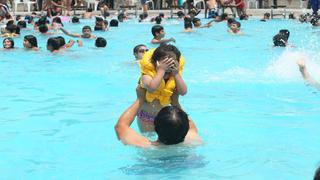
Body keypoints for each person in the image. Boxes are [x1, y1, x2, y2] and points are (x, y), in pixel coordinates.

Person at [115, 88, 201, 147]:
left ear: (155, 127)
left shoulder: (147, 147)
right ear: (186, 129)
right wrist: (175, 102)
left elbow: (120, 126)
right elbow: (190, 125)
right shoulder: (194, 140)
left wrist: (139, 99)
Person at [137, 44, 187, 131]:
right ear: (155, 62)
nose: (169, 64)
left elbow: (183, 92)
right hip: (147, 117)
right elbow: (152, 88)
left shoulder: (174, 76)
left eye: (173, 61)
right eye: (165, 62)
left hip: (165, 119)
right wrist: (161, 70)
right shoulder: (147, 76)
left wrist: (176, 73)